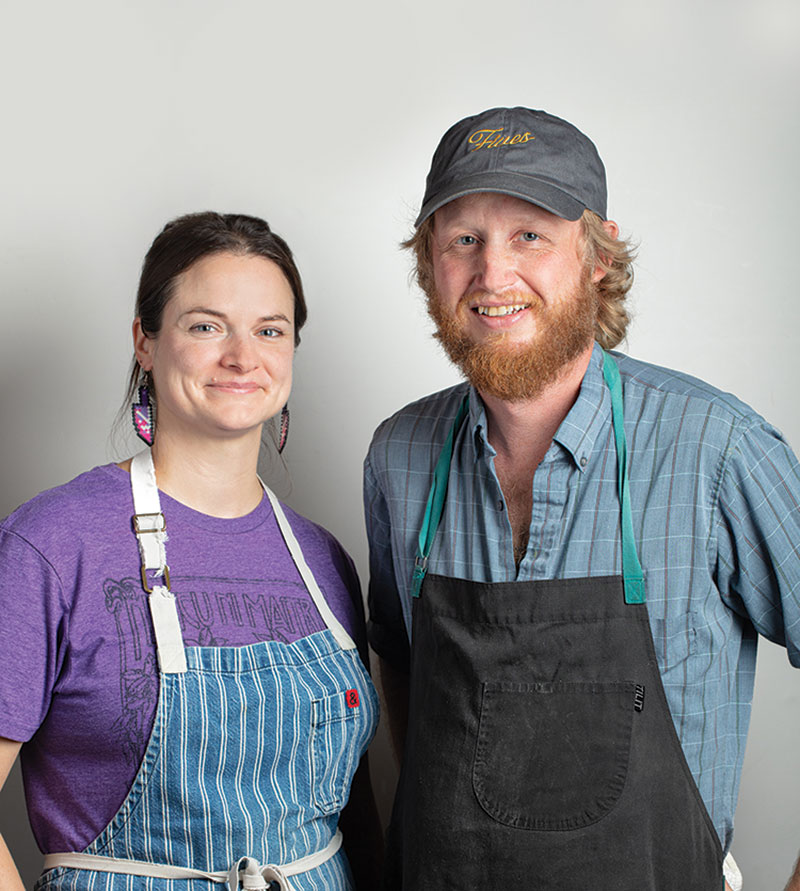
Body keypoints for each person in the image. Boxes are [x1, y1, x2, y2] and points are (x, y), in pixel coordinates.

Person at [364, 107, 800, 890]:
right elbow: (401, 658)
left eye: (529, 234)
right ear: (430, 262)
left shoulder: (715, 446)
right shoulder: (399, 454)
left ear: (597, 256)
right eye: (463, 238)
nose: (492, 275)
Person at [0, 211, 381, 891]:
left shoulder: (324, 562)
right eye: (206, 325)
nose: (243, 356)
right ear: (144, 342)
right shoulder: (52, 544)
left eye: (271, 330)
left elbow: (359, 811)